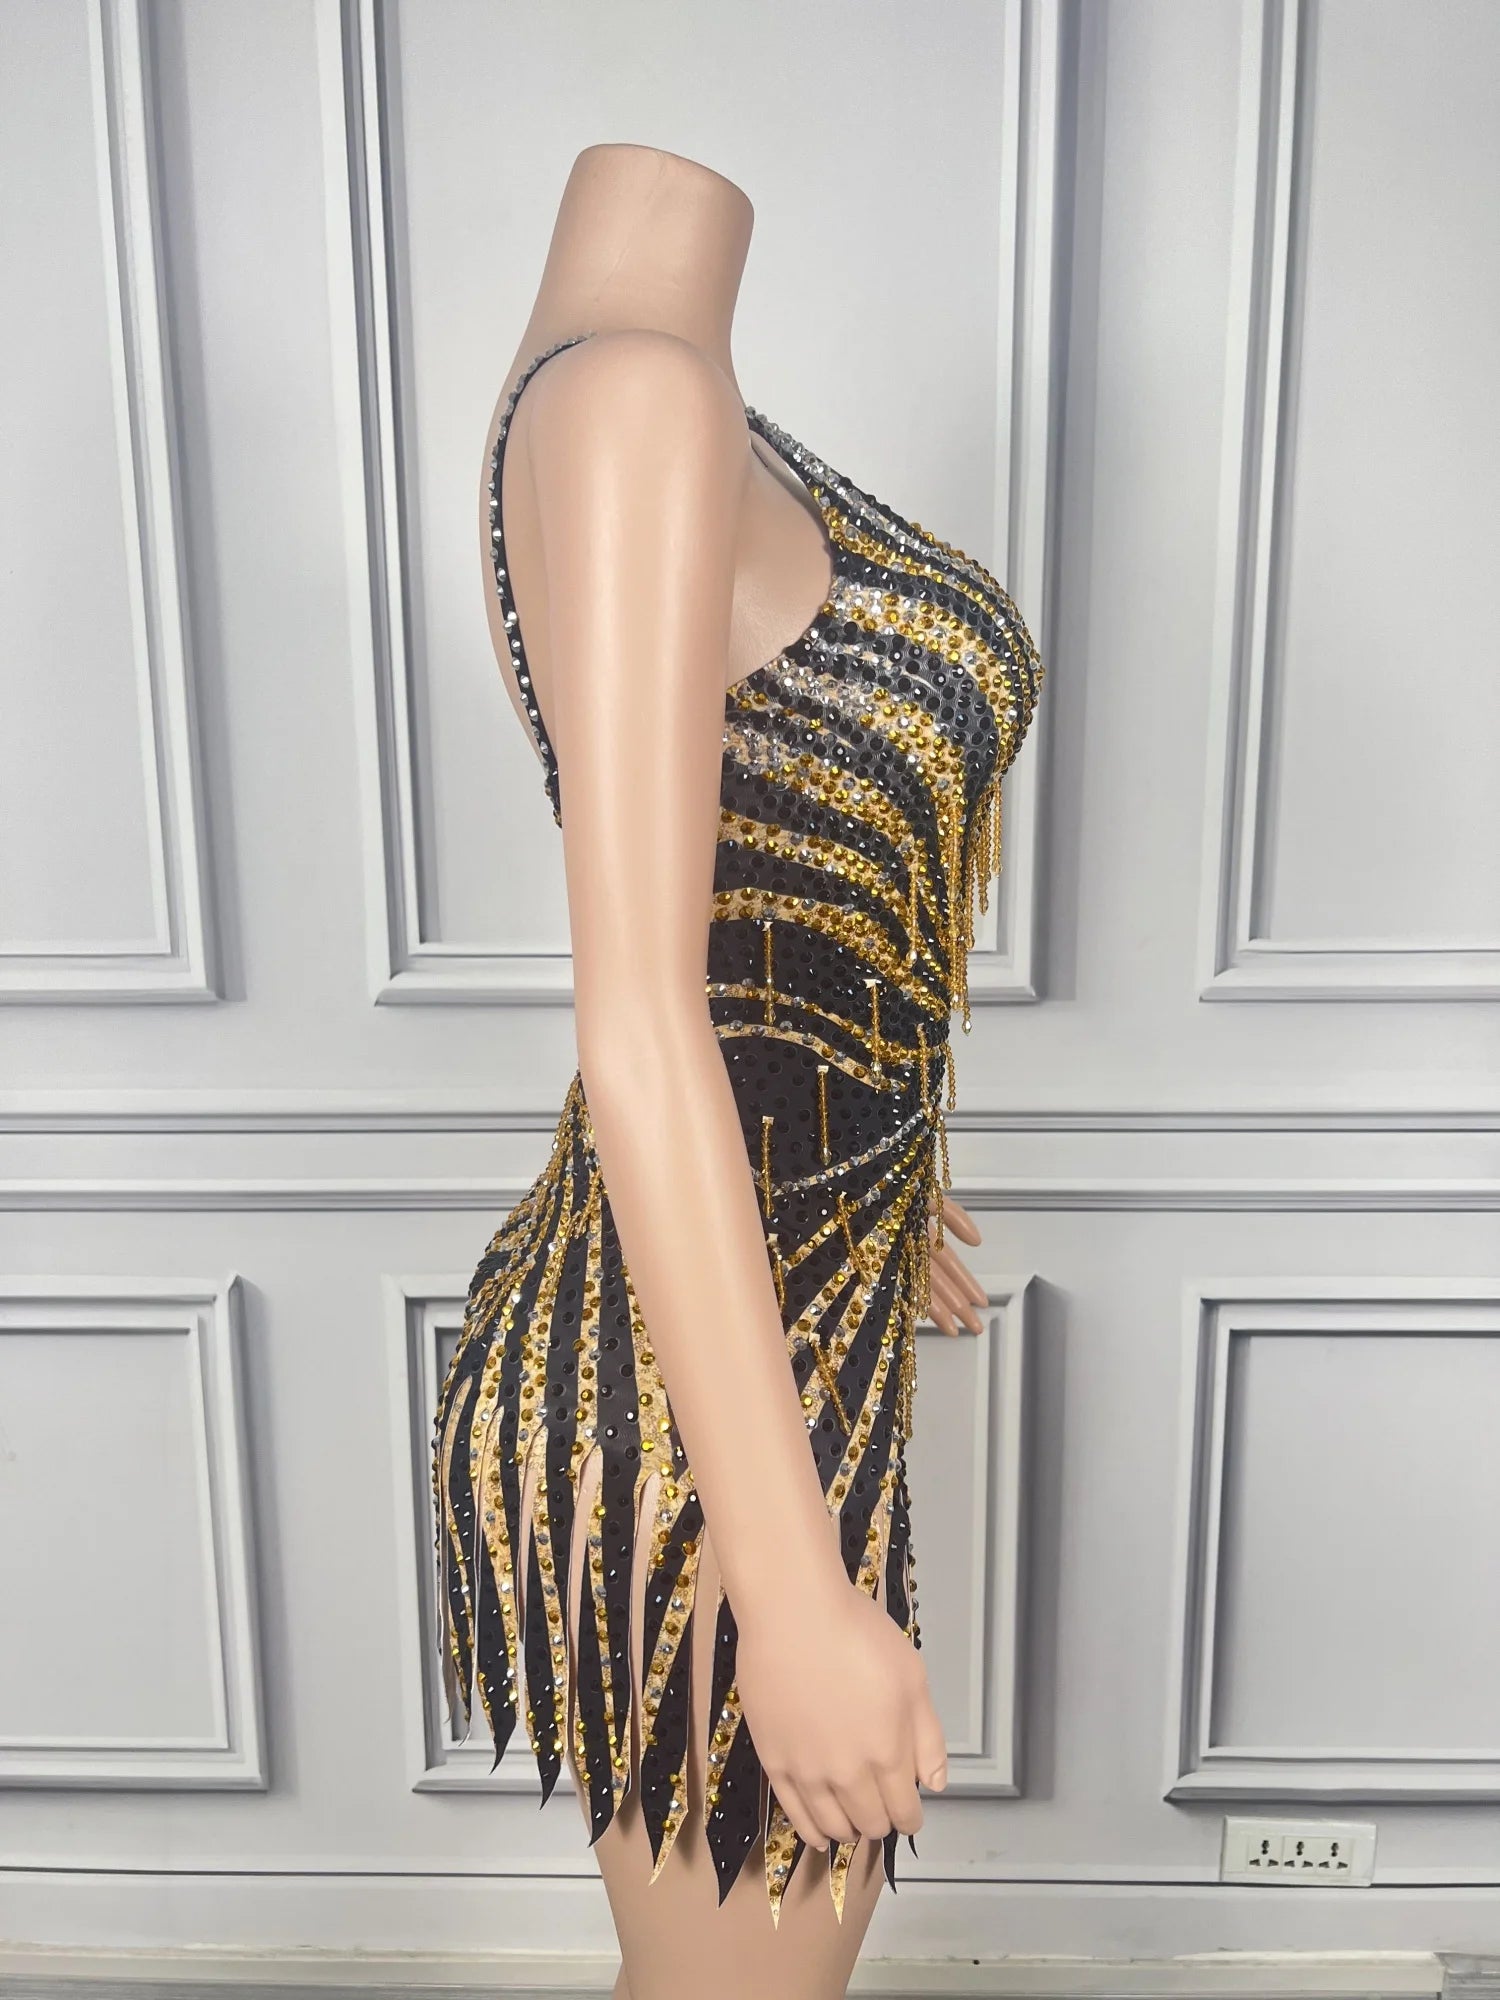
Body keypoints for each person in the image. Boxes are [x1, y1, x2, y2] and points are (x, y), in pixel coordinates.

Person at [432, 141, 1045, 2000]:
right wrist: (789, 1600)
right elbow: (640, 1015)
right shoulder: (634, 399)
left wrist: (879, 1156)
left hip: (788, 1321)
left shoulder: (675, 397)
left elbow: (785, 907)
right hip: (677, 1401)